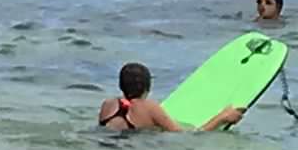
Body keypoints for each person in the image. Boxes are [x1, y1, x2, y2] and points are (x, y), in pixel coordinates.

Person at [97, 61, 245, 133]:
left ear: (121, 85)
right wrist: (222, 118)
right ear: (148, 87)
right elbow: (188, 137)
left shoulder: (108, 104)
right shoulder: (150, 108)